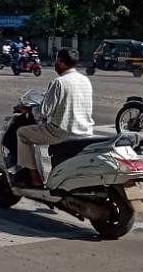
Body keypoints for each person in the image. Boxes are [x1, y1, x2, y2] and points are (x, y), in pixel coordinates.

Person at [15, 47, 94, 188]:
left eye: (57, 61)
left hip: (61, 133)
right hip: (85, 132)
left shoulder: (59, 82)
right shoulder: (85, 80)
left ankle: (35, 178)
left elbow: (44, 112)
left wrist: (28, 109)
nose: (55, 64)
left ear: (62, 63)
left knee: (22, 134)